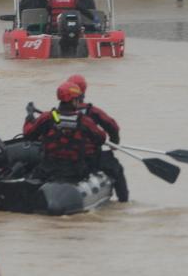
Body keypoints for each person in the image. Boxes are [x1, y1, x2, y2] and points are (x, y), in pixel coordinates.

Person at [22, 81, 105, 182]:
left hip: (48, 170)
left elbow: (28, 134)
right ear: (74, 100)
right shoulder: (84, 121)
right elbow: (101, 139)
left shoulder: (50, 117)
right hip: (75, 171)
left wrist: (29, 117)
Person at [67, 74, 129, 202]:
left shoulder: (57, 113)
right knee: (116, 168)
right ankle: (124, 201)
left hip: (63, 157)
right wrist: (113, 143)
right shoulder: (92, 112)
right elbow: (112, 126)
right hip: (89, 158)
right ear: (84, 91)